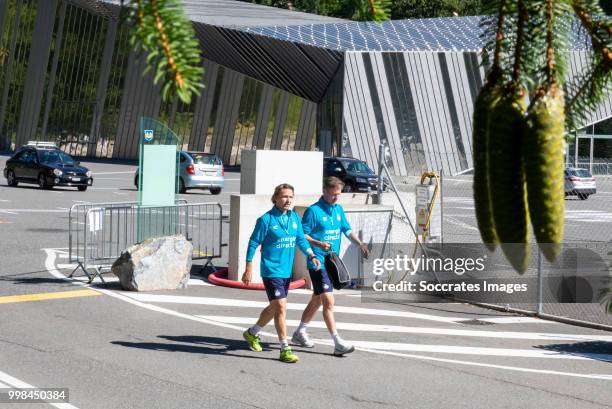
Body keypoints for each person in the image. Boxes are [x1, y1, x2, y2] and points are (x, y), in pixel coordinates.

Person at [241, 183, 321, 363]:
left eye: (291, 197)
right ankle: (285, 348)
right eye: (284, 196)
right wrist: (248, 268)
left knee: (276, 306)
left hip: (286, 271)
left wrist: (311, 255)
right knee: (281, 307)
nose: (288, 200)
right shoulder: (266, 220)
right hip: (271, 270)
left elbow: (301, 239)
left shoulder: (294, 217)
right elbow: (253, 243)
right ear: (275, 198)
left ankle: (252, 333)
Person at [291, 176, 369, 356]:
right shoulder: (314, 211)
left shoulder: (338, 209)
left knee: (317, 299)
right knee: (328, 300)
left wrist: (360, 244)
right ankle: (337, 342)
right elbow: (302, 235)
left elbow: (346, 229)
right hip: (317, 262)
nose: (336, 198)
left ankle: (300, 332)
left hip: (332, 261)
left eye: (338, 195)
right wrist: (318, 244)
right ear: (324, 191)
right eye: (333, 194)